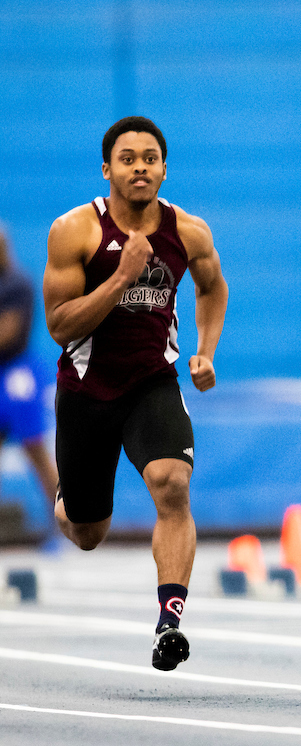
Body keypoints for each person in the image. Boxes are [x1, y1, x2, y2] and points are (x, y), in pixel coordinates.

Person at [43, 116, 228, 668]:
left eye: (150, 158)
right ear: (107, 170)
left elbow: (213, 287)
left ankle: (169, 620)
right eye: (128, 159)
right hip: (86, 390)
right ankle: (66, 500)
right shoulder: (74, 231)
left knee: (172, 483)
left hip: (153, 383)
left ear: (164, 170)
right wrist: (121, 277)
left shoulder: (189, 231)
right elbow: (60, 325)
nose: (140, 167)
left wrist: (206, 351)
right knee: (87, 531)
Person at [0, 228, 58, 521]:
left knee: (36, 448)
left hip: (16, 374)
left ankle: (65, 523)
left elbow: (7, 335)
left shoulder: (16, 284)